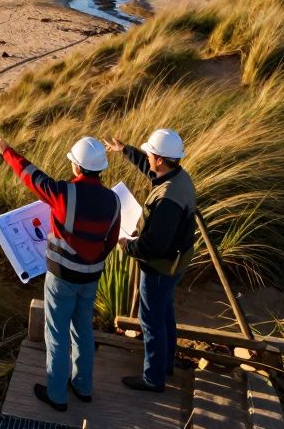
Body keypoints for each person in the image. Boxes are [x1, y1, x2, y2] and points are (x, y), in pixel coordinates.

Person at [0, 133, 121, 412]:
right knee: (83, 330)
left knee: (57, 334)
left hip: (62, 277)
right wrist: (91, 262)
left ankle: (57, 395)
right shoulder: (113, 201)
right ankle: (83, 387)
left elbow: (31, 175)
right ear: (100, 169)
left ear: (76, 167)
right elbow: (110, 242)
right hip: (91, 278)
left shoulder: (64, 192)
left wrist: (6, 151)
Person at [106, 129, 197, 393]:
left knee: (151, 321)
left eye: (149, 154)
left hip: (160, 267)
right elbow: (149, 170)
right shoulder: (178, 176)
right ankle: (165, 364)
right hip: (175, 263)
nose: (147, 157)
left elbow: (155, 245)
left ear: (159, 158)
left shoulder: (168, 198)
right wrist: (125, 151)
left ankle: (153, 378)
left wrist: (128, 245)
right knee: (165, 314)